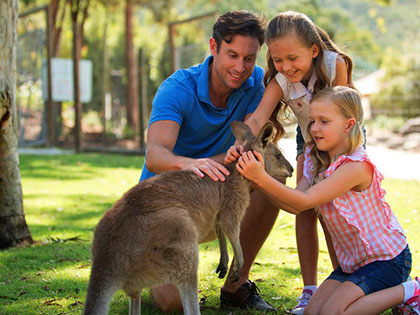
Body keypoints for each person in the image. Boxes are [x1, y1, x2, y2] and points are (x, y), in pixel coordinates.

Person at [235, 86, 420, 315]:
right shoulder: (315, 161)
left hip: (387, 260)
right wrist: (257, 183)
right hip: (353, 264)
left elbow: (304, 200)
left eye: (324, 121)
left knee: (335, 313)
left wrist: (261, 178)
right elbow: (294, 206)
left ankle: (410, 290)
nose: (314, 128)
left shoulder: (355, 167)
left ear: (349, 125)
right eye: (312, 121)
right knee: (314, 313)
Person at [140, 10, 278, 312]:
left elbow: (251, 147)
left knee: (272, 178)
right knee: (172, 304)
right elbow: (156, 154)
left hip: (219, 198)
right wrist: (187, 164)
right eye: (232, 55)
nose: (240, 67)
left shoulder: (257, 84)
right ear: (213, 47)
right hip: (168, 208)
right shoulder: (178, 88)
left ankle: (236, 283)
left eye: (249, 58)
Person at [224, 11, 356, 314]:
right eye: (278, 60)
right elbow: (258, 117)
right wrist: (240, 143)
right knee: (305, 206)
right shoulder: (282, 80)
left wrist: (331, 164)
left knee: (334, 208)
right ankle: (310, 289)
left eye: (292, 58)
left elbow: (343, 114)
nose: (285, 67)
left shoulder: (334, 65)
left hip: (342, 139)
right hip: (308, 140)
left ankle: (345, 278)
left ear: (313, 50)